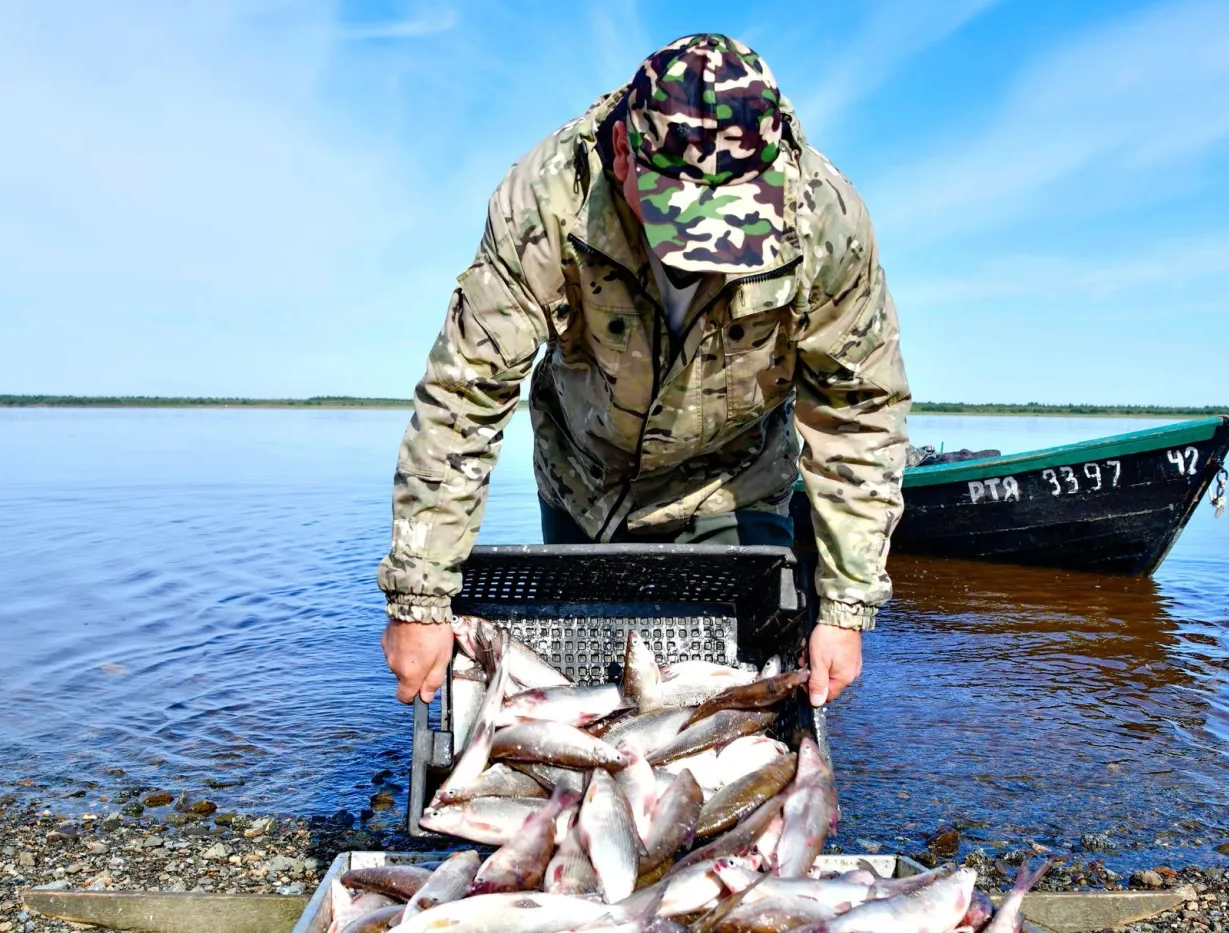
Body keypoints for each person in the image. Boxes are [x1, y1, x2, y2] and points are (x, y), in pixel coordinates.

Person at [378, 33, 910, 710]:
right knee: (593, 670)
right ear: (626, 155)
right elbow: (466, 394)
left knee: (736, 683)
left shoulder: (825, 222)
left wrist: (846, 608)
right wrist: (421, 595)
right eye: (685, 219)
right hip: (585, 476)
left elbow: (857, 409)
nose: (707, 255)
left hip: (732, 480)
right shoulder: (546, 200)